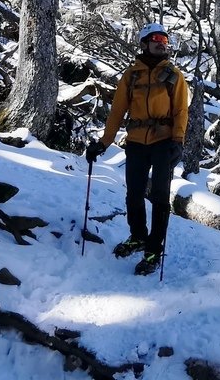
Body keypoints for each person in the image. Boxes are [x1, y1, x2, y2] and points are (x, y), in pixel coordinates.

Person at [85, 22, 188, 275]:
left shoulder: (174, 75)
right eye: (155, 39)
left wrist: (178, 140)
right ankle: (138, 236)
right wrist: (103, 142)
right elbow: (117, 111)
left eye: (164, 40)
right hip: (136, 142)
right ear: (143, 43)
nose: (160, 43)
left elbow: (181, 111)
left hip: (164, 144)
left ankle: (153, 249)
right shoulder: (131, 76)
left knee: (160, 199)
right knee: (134, 194)